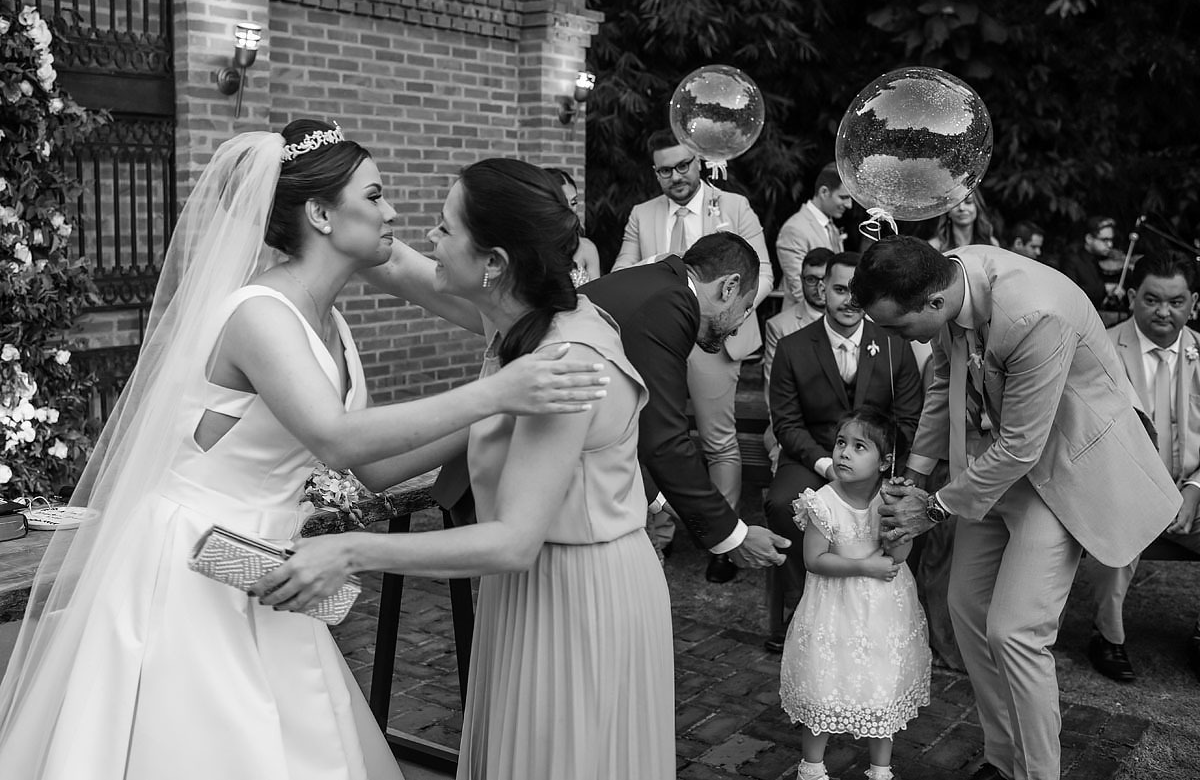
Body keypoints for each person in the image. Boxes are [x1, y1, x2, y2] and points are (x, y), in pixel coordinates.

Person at [0, 125, 609, 780]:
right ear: (321, 214)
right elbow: (336, 437)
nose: (392, 214)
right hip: (189, 566)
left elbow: (371, 466)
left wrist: (505, 402)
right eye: (374, 195)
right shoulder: (259, 313)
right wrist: (495, 393)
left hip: (271, 564)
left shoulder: (332, 322)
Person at [268, 157, 676, 780]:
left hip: (579, 589)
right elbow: (379, 464)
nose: (426, 236)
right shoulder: (515, 330)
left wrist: (350, 552)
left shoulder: (564, 362)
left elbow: (513, 540)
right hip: (526, 589)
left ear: (494, 263)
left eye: (443, 227)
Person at [851, 235, 1180, 780]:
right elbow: (944, 386)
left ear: (934, 303)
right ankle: (1004, 761)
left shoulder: (1034, 313)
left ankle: (1038, 774)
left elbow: (1024, 445)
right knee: (967, 610)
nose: (888, 338)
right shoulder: (951, 279)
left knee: (1015, 631)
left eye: (895, 328)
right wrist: (912, 480)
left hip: (1064, 472)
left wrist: (931, 510)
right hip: (990, 472)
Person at [613, 129, 774, 582]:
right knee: (654, 431)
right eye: (665, 170)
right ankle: (655, 538)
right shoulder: (642, 214)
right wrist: (667, 271)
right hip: (660, 331)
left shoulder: (734, 206)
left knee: (718, 440)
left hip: (714, 338)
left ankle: (721, 543)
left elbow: (760, 272)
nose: (675, 176)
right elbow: (623, 268)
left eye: (683, 165)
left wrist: (731, 316)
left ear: (698, 162)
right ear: (656, 173)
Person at [580, 233, 790, 572]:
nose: (738, 328)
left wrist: (659, 499)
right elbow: (663, 439)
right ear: (729, 287)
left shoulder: (656, 284)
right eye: (746, 308)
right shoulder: (671, 303)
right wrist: (733, 537)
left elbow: (631, 426)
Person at [763, 251, 922, 653]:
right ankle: (803, 613)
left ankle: (883, 613)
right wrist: (825, 464)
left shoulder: (893, 345)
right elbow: (786, 423)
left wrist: (882, 468)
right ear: (821, 290)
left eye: (857, 291)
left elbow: (908, 417)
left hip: (875, 461)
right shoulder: (793, 347)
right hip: (812, 456)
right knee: (784, 503)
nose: (849, 300)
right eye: (838, 289)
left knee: (900, 509)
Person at [779, 407, 931, 780]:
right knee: (824, 680)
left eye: (859, 446)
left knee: (883, 681)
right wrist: (864, 566)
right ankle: (812, 767)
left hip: (883, 612)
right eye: (841, 443)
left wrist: (899, 519)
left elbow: (898, 556)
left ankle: (881, 769)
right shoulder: (822, 502)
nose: (844, 452)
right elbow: (814, 560)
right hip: (833, 609)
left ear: (886, 462)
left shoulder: (889, 500)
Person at [1085, 249, 1200, 683]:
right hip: (1120, 488)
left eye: (1176, 302)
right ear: (1133, 296)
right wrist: (1137, 490)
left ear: (1194, 304)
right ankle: (1107, 635)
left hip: (1189, 491)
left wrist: (1194, 490)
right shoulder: (1101, 350)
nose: (1164, 312)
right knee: (1113, 531)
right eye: (1152, 299)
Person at [762, 247, 832, 469]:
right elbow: (773, 392)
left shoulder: (861, 322)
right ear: (801, 281)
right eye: (811, 279)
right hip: (793, 424)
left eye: (825, 279)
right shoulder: (780, 326)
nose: (819, 287)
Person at [775, 162, 851, 308]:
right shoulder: (795, 229)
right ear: (824, 192)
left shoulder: (831, 227)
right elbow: (801, 290)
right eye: (843, 197)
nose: (849, 205)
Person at [545, 167, 601, 287]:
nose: (571, 209)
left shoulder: (587, 248)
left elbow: (598, 298)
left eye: (574, 202)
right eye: (563, 203)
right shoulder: (527, 248)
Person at [1056, 215, 1118, 309]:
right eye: (1105, 240)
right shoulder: (1072, 259)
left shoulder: (1102, 260)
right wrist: (1104, 289)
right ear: (1089, 238)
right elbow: (1071, 293)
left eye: (1111, 240)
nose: (1110, 245)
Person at [925, 190, 1001, 253]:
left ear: (977, 208)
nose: (961, 208)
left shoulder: (991, 243)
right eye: (956, 204)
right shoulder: (934, 247)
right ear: (948, 212)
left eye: (968, 202)